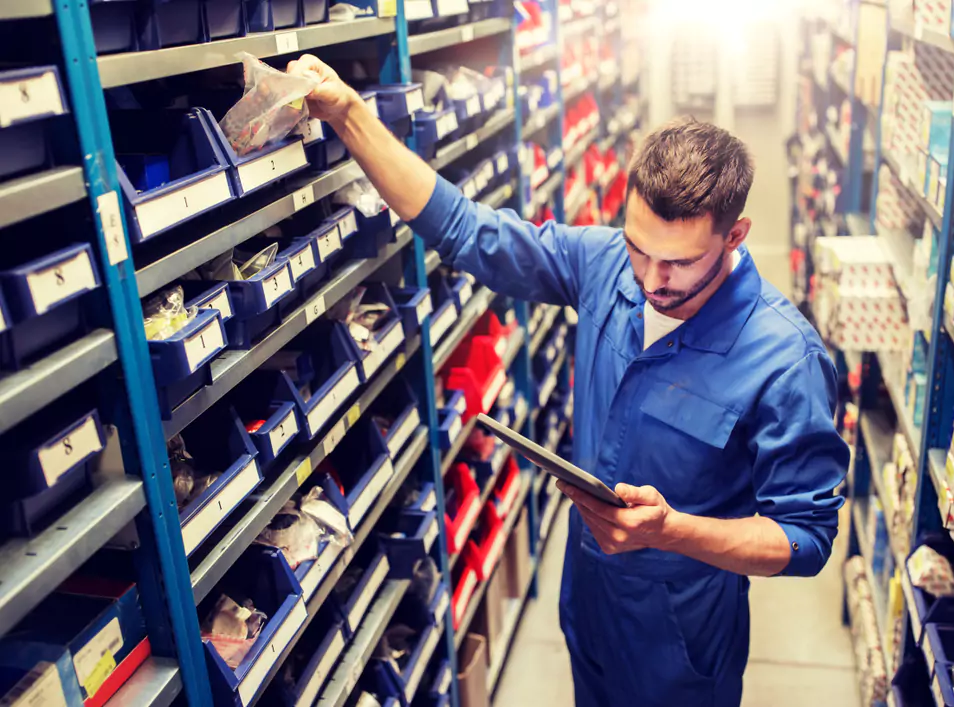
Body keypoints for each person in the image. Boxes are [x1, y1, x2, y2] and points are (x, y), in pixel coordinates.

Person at [286, 55, 848, 707]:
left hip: (680, 637)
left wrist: (672, 530)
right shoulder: (606, 263)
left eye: (679, 262)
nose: (650, 280)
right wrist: (351, 114)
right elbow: (466, 230)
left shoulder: (785, 356)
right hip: (588, 598)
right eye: (639, 248)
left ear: (735, 236)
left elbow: (806, 538)